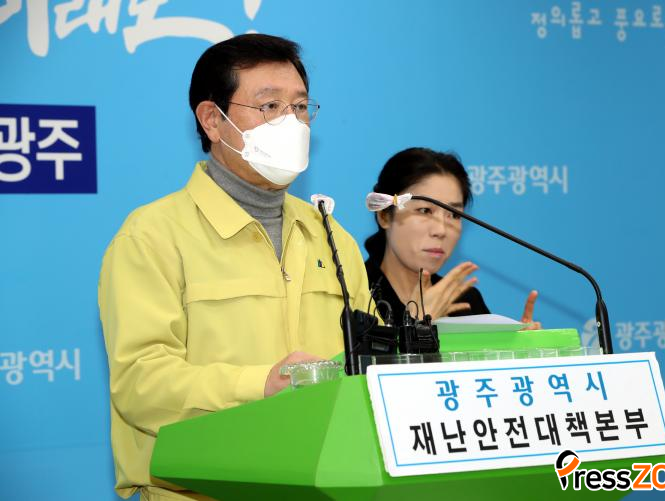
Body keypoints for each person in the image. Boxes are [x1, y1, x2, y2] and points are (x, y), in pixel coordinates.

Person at [98, 34, 371, 501]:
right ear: (212, 120)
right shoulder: (152, 236)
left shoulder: (330, 234)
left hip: (323, 485)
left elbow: (368, 359)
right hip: (200, 490)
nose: (292, 122)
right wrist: (259, 384)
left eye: (300, 107)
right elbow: (141, 384)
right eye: (270, 106)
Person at [364, 147, 541, 327]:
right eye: (425, 210)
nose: (441, 230)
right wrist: (417, 326)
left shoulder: (466, 301)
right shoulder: (354, 295)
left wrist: (521, 343)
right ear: (384, 216)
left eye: (454, 215)